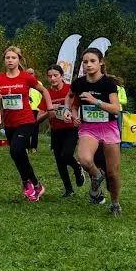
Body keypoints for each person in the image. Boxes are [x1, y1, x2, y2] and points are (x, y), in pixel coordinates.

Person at [0, 46, 52, 201]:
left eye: (13, 58)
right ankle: (35, 184)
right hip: (9, 123)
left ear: (18, 60)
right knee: (18, 154)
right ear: (4, 60)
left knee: (16, 150)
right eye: (7, 58)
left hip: (26, 120)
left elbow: (44, 91)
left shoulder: (26, 78)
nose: (10, 60)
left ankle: (27, 183)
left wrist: (49, 108)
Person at [71, 48, 124, 216]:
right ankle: (96, 176)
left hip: (109, 128)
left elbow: (116, 109)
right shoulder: (79, 83)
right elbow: (73, 103)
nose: (88, 65)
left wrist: (96, 101)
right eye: (85, 62)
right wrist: (72, 115)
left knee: (113, 173)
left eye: (92, 61)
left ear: (101, 62)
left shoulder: (108, 83)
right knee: (85, 160)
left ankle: (115, 203)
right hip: (89, 128)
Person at [45, 64, 84, 197]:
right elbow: (39, 116)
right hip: (56, 130)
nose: (53, 78)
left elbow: (79, 105)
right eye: (50, 76)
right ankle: (69, 189)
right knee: (59, 161)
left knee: (66, 155)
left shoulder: (70, 89)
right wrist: (50, 109)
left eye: (56, 75)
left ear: (62, 76)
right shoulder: (47, 93)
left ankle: (77, 167)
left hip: (71, 128)